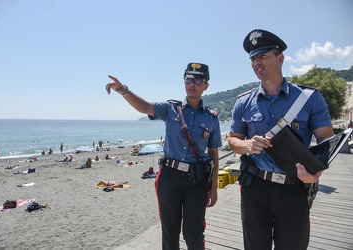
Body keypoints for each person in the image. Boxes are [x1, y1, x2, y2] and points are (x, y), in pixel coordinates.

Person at [228, 29, 334, 250]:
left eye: (263, 56)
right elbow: (233, 141)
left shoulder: (309, 98)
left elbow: (326, 141)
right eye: (253, 58)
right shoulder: (243, 102)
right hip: (255, 187)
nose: (257, 62)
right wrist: (248, 145)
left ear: (280, 58)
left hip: (294, 187)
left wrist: (316, 173)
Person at [106, 62, 221, 250]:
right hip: (170, 177)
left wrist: (214, 187)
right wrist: (124, 91)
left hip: (197, 180)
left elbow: (214, 153)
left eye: (198, 80)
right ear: (184, 82)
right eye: (189, 79)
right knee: (170, 232)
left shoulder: (211, 117)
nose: (193, 84)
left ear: (206, 85)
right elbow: (144, 106)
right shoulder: (170, 109)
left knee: (194, 233)